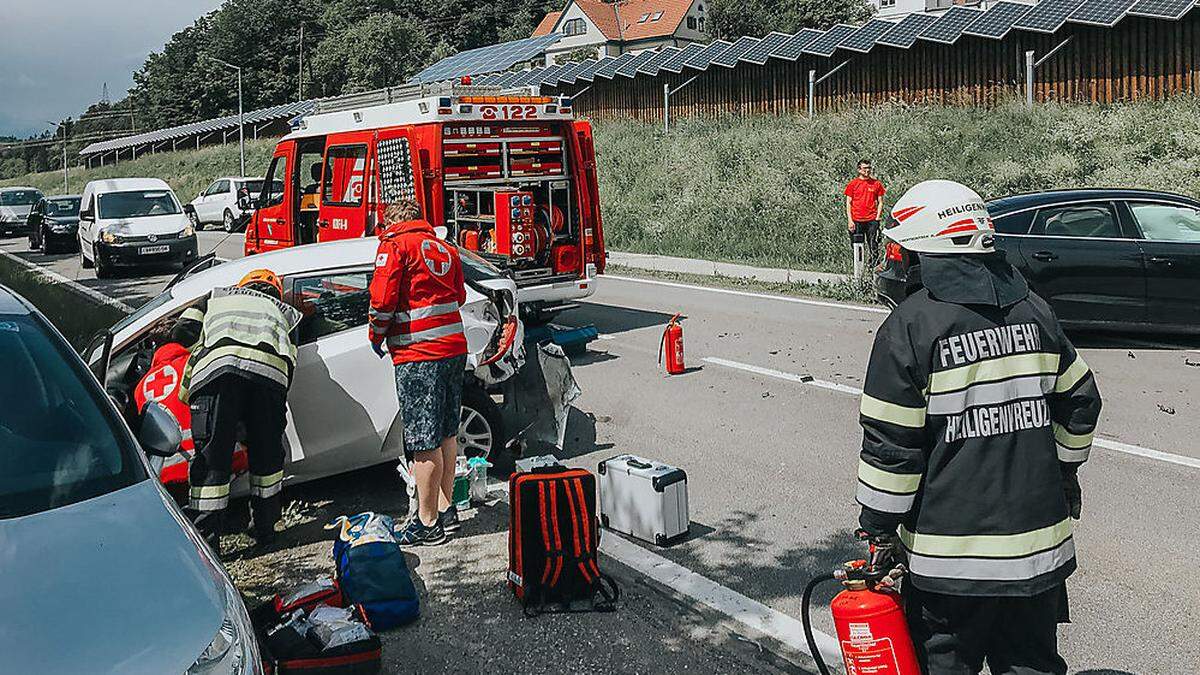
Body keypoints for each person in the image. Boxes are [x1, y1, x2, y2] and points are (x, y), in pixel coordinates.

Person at [854, 180, 1101, 675]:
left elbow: (892, 446)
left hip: (952, 566)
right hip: (1037, 555)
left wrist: (878, 527)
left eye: (899, 250)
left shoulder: (911, 327)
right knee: (1031, 664)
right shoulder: (1034, 311)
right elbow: (1081, 403)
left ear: (926, 252)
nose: (894, 262)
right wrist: (1064, 470)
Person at [369, 198, 468, 546]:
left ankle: (426, 524)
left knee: (422, 441)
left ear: (390, 221)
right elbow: (459, 295)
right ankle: (446, 509)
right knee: (446, 434)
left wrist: (375, 335)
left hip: (418, 353)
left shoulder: (394, 246)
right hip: (454, 348)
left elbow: (381, 302)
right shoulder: (443, 247)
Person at [179, 269, 299, 553]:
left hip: (218, 373)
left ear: (243, 285)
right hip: (269, 377)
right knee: (267, 457)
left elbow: (182, 332)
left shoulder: (216, 297)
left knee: (212, 458)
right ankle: (267, 531)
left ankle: (207, 544)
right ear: (277, 292)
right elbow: (290, 362)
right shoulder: (285, 313)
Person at [843, 159, 886, 268]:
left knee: (873, 245)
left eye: (869, 168)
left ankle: (873, 267)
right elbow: (848, 203)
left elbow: (880, 202)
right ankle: (858, 269)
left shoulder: (876, 184)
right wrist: (850, 220)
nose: (867, 170)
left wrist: (877, 218)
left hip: (871, 219)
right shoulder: (853, 184)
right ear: (859, 169)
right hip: (857, 220)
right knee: (857, 246)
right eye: (865, 168)